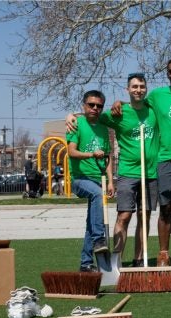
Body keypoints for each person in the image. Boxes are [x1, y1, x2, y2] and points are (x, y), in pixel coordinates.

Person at [110, 58, 171, 267]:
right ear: (167, 74)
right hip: (166, 161)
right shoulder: (156, 95)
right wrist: (119, 103)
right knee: (165, 209)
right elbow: (137, 103)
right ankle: (164, 254)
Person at [100, 73, 159, 267]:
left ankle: (139, 259)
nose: (138, 89)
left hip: (151, 173)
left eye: (141, 86)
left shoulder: (154, 110)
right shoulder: (119, 112)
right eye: (134, 86)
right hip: (128, 172)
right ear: (128, 89)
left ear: (146, 88)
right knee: (124, 216)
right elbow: (93, 117)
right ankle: (116, 260)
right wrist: (71, 117)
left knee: (145, 216)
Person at [66, 90, 113, 272]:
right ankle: (99, 239)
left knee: (90, 223)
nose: (95, 108)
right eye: (91, 105)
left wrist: (110, 181)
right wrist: (91, 154)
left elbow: (107, 158)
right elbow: (71, 152)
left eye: (99, 106)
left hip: (99, 179)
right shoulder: (76, 124)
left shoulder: (103, 129)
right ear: (84, 105)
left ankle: (85, 264)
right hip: (80, 179)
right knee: (96, 195)